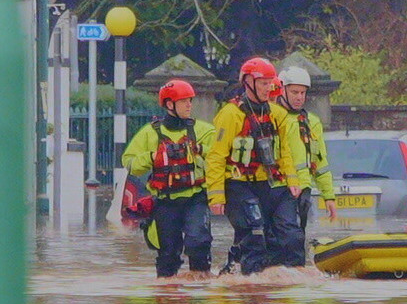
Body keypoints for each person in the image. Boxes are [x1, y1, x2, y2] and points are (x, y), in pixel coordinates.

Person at [206, 57, 304, 274]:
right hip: (240, 184)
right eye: (263, 83)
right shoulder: (231, 115)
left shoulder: (278, 115)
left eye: (271, 83)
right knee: (254, 232)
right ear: (248, 82)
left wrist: (293, 181)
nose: (268, 88)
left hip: (272, 183)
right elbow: (216, 156)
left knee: (291, 235)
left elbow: (284, 152)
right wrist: (216, 196)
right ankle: (250, 285)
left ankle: (293, 283)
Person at [120, 79, 216, 278]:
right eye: (184, 101)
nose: (190, 105)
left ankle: (201, 287)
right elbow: (128, 162)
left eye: (190, 100)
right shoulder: (149, 133)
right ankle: (167, 297)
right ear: (170, 105)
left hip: (195, 198)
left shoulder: (204, 131)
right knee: (168, 254)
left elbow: (218, 157)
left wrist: (200, 150)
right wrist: (152, 158)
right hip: (165, 201)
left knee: (198, 242)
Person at [276, 66, 337, 236]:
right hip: (280, 188)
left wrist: (329, 196)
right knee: (285, 236)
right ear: (282, 90)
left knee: (297, 236)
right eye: (295, 92)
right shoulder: (274, 118)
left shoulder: (312, 122)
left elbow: (320, 163)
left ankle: (296, 263)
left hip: (303, 190)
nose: (299, 98)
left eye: (303, 93)